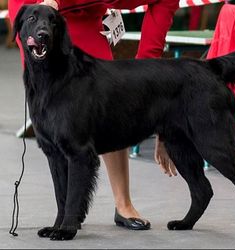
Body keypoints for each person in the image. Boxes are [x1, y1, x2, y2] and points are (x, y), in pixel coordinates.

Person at [9, 0, 178, 230]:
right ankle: (67, 213)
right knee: (52, 127)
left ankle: (123, 204)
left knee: (112, 106)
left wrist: (149, 68)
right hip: (37, 18)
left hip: (85, 23)